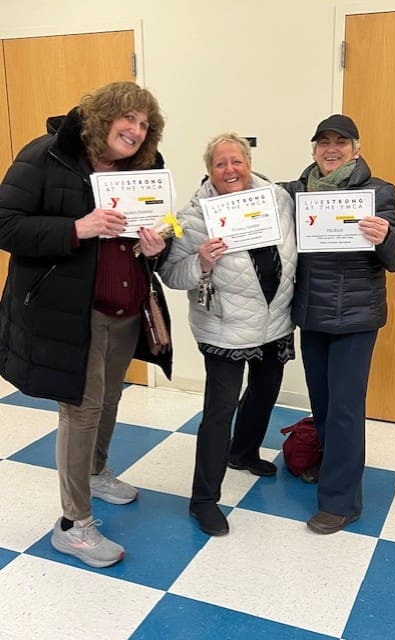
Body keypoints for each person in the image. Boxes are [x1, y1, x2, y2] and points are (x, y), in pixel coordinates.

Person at [0, 81, 172, 567]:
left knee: (110, 397)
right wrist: (77, 228)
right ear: (104, 116)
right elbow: (5, 224)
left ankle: (96, 473)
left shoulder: (146, 166)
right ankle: (73, 525)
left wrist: (159, 245)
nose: (136, 131)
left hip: (126, 307)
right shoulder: (47, 155)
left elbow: (163, 227)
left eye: (145, 124)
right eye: (129, 119)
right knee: (82, 410)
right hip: (71, 312)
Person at [282, 114, 395, 535]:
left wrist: (385, 237)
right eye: (323, 142)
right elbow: (254, 201)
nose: (331, 149)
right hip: (312, 315)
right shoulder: (296, 192)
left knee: (344, 409)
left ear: (356, 149)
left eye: (341, 142)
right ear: (314, 149)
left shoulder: (378, 192)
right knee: (322, 404)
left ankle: (342, 502)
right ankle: (329, 464)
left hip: (356, 319)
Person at [160, 133, 296, 536]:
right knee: (219, 412)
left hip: (275, 320)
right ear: (209, 170)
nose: (230, 170)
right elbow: (171, 274)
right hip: (224, 325)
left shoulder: (278, 199)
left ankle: (244, 452)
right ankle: (203, 500)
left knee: (265, 391)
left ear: (248, 163)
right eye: (220, 164)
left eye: (237, 161)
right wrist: (201, 262)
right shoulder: (192, 218)